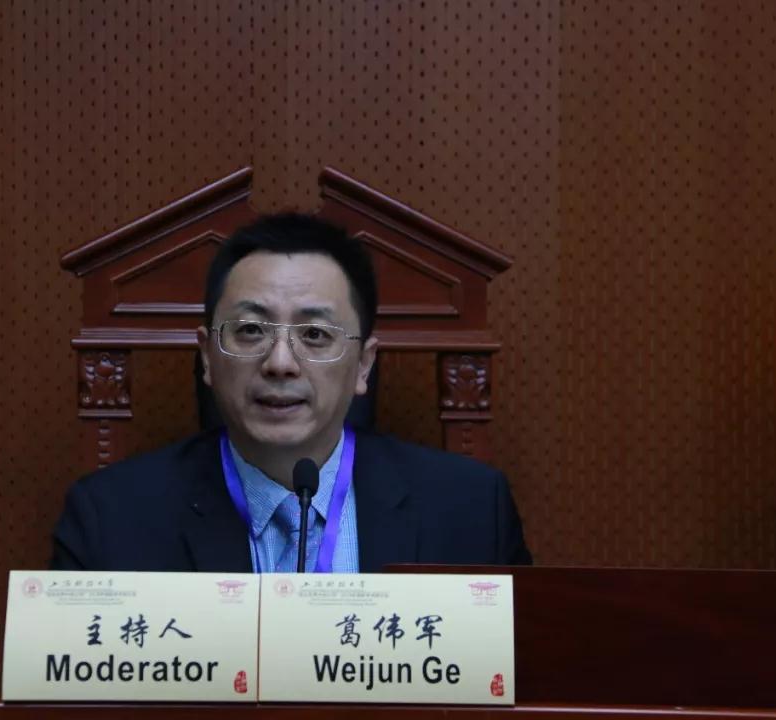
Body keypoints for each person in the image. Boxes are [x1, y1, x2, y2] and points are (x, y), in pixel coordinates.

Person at [51, 213, 531, 572]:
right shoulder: (110, 519)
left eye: (315, 335)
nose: (280, 363)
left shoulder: (470, 510)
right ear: (207, 357)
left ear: (364, 364)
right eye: (250, 331)